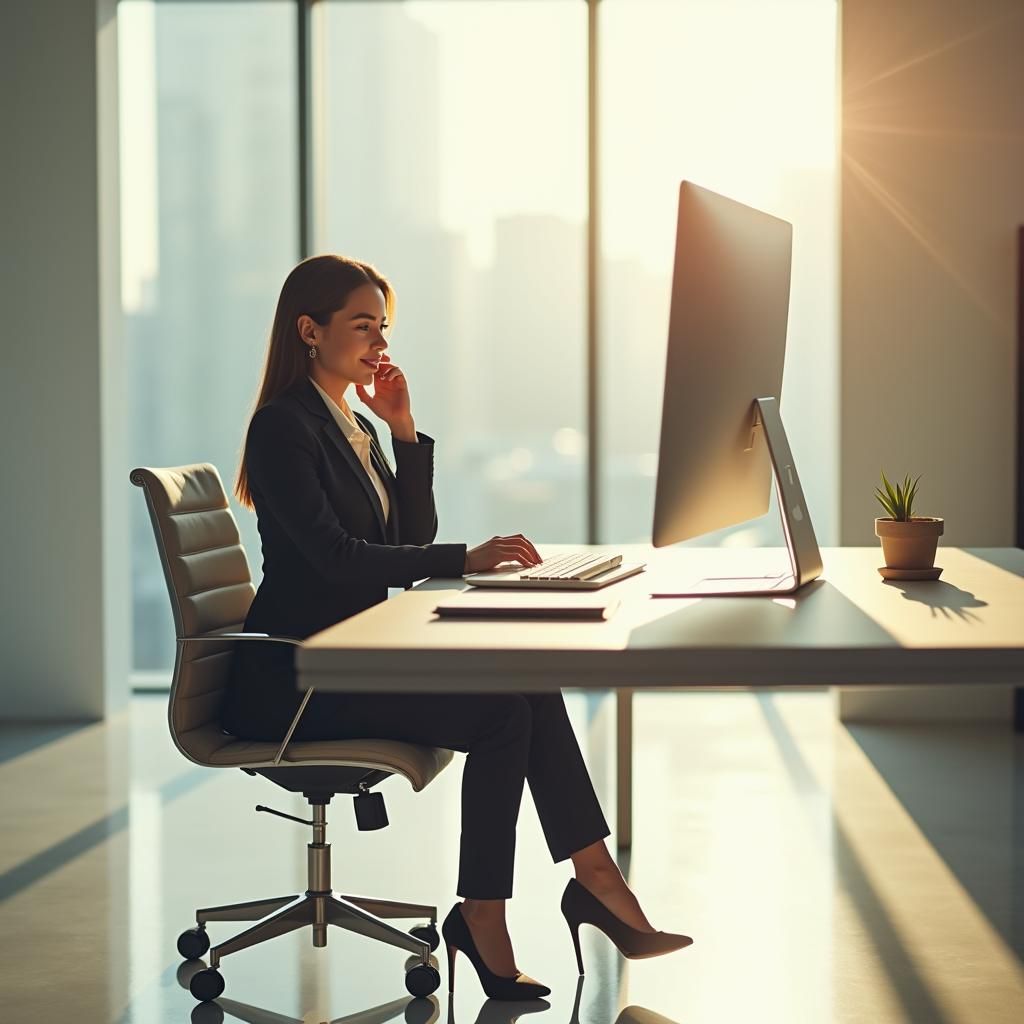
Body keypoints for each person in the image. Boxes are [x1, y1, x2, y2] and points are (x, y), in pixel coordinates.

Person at [223, 254, 691, 1001]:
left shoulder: (352, 424)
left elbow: (406, 540)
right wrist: (463, 557)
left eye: (385, 326)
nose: (380, 343)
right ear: (309, 331)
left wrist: (404, 434)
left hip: (355, 659)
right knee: (504, 716)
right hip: (299, 678)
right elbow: (337, 558)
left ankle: (588, 879)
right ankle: (492, 914)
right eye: (363, 325)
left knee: (526, 681)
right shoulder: (285, 428)